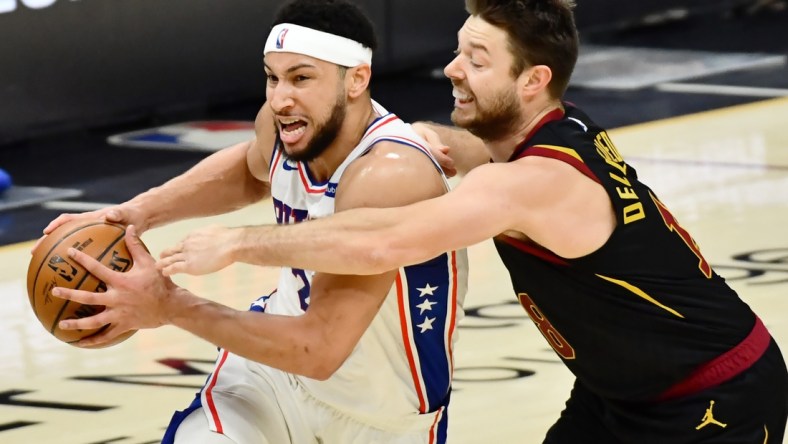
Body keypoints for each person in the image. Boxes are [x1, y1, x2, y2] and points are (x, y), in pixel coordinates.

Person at [150, 0, 788, 443]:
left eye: (477, 60)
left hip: (713, 398)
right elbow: (434, 142)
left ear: (532, 79)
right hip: (618, 392)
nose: (453, 68)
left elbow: (383, 240)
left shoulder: (530, 182)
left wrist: (238, 242)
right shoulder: (537, 136)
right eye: (458, 51)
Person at [44, 0, 468, 442]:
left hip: (381, 414)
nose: (281, 98)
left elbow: (320, 349)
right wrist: (137, 213)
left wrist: (167, 303)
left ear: (357, 79)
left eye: (302, 77)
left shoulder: (391, 174)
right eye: (272, 77)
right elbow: (251, 170)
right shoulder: (287, 123)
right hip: (272, 380)